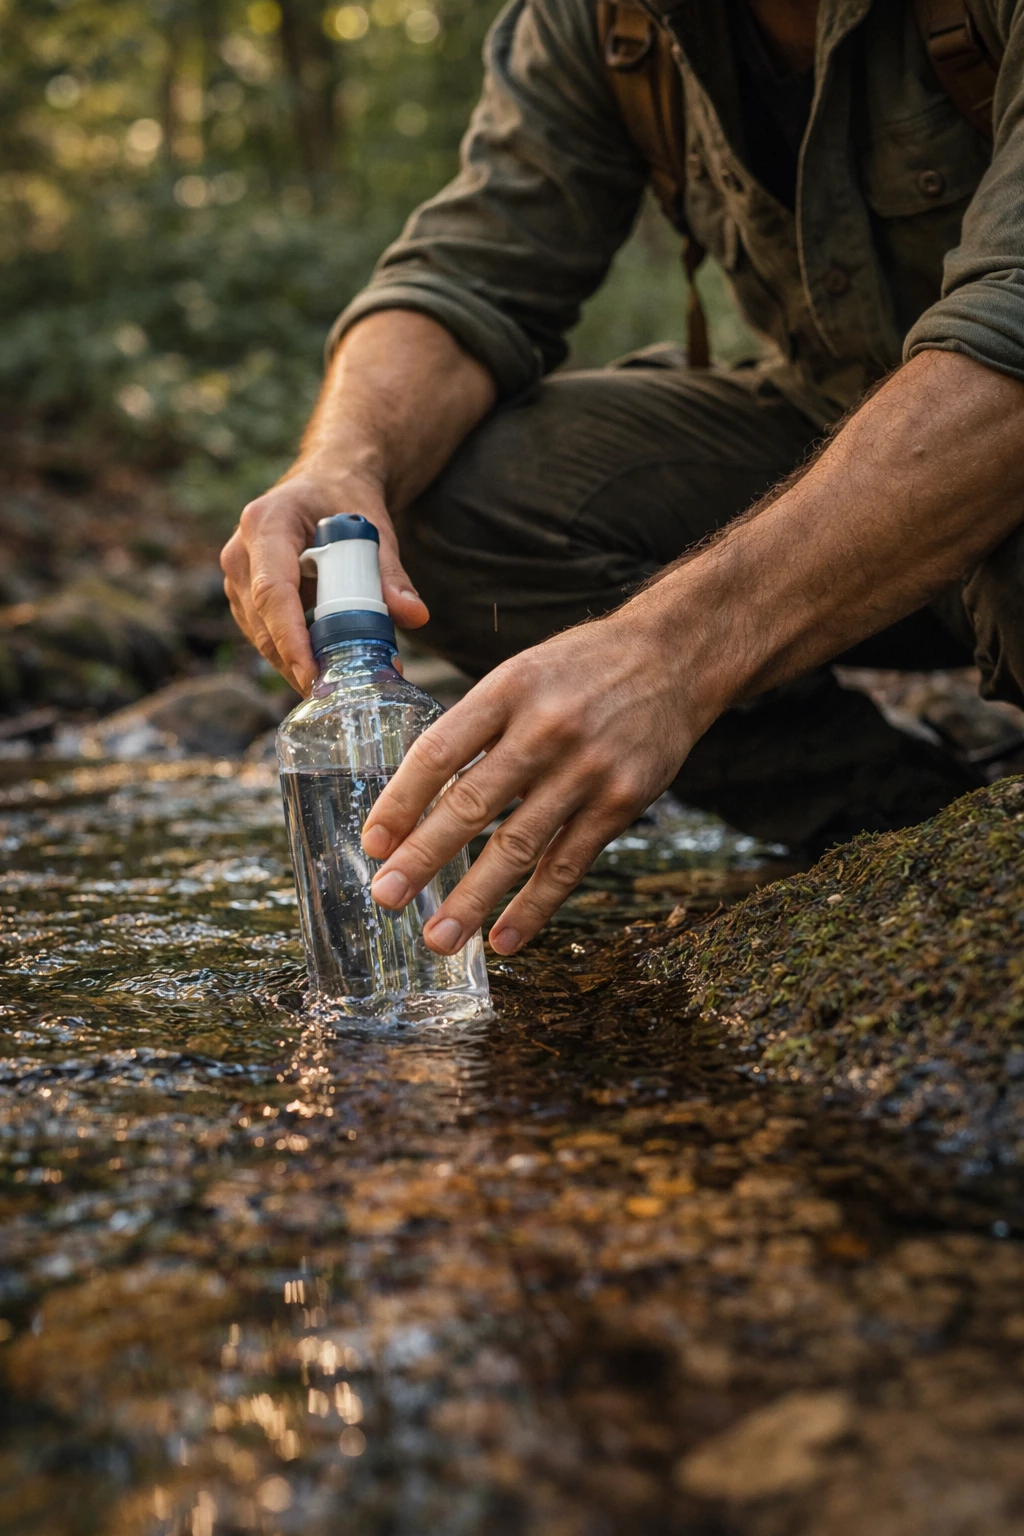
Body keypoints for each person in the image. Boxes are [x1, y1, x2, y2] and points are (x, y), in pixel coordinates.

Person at [222, 0, 1024, 958]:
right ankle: (918, 836)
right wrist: (344, 462)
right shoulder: (600, 19)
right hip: (835, 430)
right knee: (457, 494)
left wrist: (675, 649)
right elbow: (470, 275)